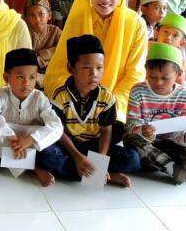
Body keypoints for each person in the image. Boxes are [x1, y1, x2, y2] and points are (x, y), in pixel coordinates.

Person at [44, 0, 147, 121]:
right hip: (76, 104)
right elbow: (60, 70)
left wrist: (110, 107)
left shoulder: (136, 25)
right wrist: (80, 102)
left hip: (117, 107)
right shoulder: (77, 21)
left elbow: (134, 75)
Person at [40, 35, 141, 187]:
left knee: (132, 159)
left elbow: (106, 130)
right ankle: (104, 176)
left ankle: (93, 172)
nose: (94, 74)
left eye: (99, 68)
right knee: (45, 153)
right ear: (71, 68)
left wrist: (100, 160)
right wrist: (78, 157)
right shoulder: (60, 96)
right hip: (69, 146)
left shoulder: (106, 96)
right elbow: (58, 131)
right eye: (87, 67)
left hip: (95, 145)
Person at [0, 48, 63, 185]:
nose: (26, 83)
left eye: (32, 77)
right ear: (6, 78)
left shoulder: (39, 97)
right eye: (20, 77)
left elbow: (56, 125)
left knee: (50, 150)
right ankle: (35, 168)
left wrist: (30, 139)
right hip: (9, 140)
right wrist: (10, 137)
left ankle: (27, 164)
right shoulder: (2, 94)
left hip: (31, 140)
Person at [124, 43, 186, 184]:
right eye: (152, 76)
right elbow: (130, 125)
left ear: (178, 75)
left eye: (165, 78)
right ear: (145, 70)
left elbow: (182, 128)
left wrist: (184, 137)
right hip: (147, 146)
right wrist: (142, 130)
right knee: (131, 139)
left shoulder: (183, 95)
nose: (158, 82)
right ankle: (172, 169)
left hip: (172, 145)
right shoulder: (138, 91)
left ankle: (162, 164)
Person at [24, 0, 61, 89]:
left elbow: (63, 49)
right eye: (32, 15)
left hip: (51, 73)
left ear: (49, 15)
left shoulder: (55, 32)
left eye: (41, 14)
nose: (37, 19)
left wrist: (41, 56)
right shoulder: (24, 32)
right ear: (26, 18)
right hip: (30, 75)